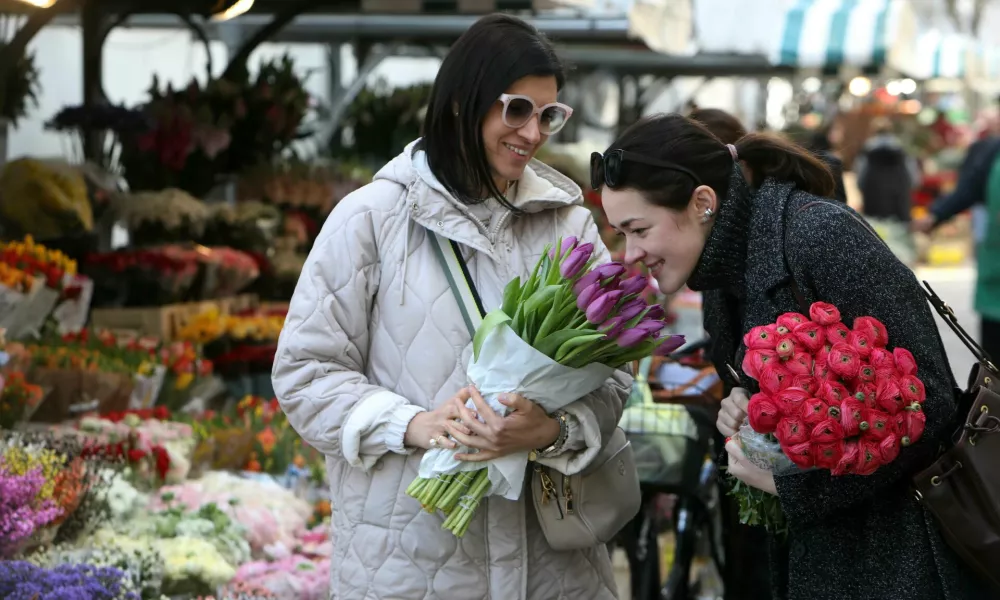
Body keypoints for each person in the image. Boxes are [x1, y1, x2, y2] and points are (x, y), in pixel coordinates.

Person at [271, 14, 631, 600]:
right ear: (464, 102)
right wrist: (414, 425)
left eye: (548, 115)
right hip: (410, 565)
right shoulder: (370, 219)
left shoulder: (568, 225)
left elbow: (614, 372)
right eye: (517, 110)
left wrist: (552, 431)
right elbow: (305, 372)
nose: (532, 132)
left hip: (553, 571)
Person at [590, 113, 990, 600]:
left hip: (895, 555)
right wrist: (743, 410)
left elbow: (927, 405)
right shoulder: (719, 271)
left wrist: (795, 488)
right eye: (621, 234)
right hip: (811, 558)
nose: (629, 253)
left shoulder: (821, 237)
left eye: (638, 229)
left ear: (702, 203)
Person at [913, 124, 1000, 362]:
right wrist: (936, 214)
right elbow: (967, 190)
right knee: (995, 359)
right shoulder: (991, 152)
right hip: (996, 275)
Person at [855, 117, 920, 222]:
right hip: (898, 198)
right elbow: (913, 177)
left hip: (873, 196)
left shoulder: (866, 149)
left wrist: (862, 189)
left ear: (873, 131)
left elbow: (860, 176)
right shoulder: (901, 148)